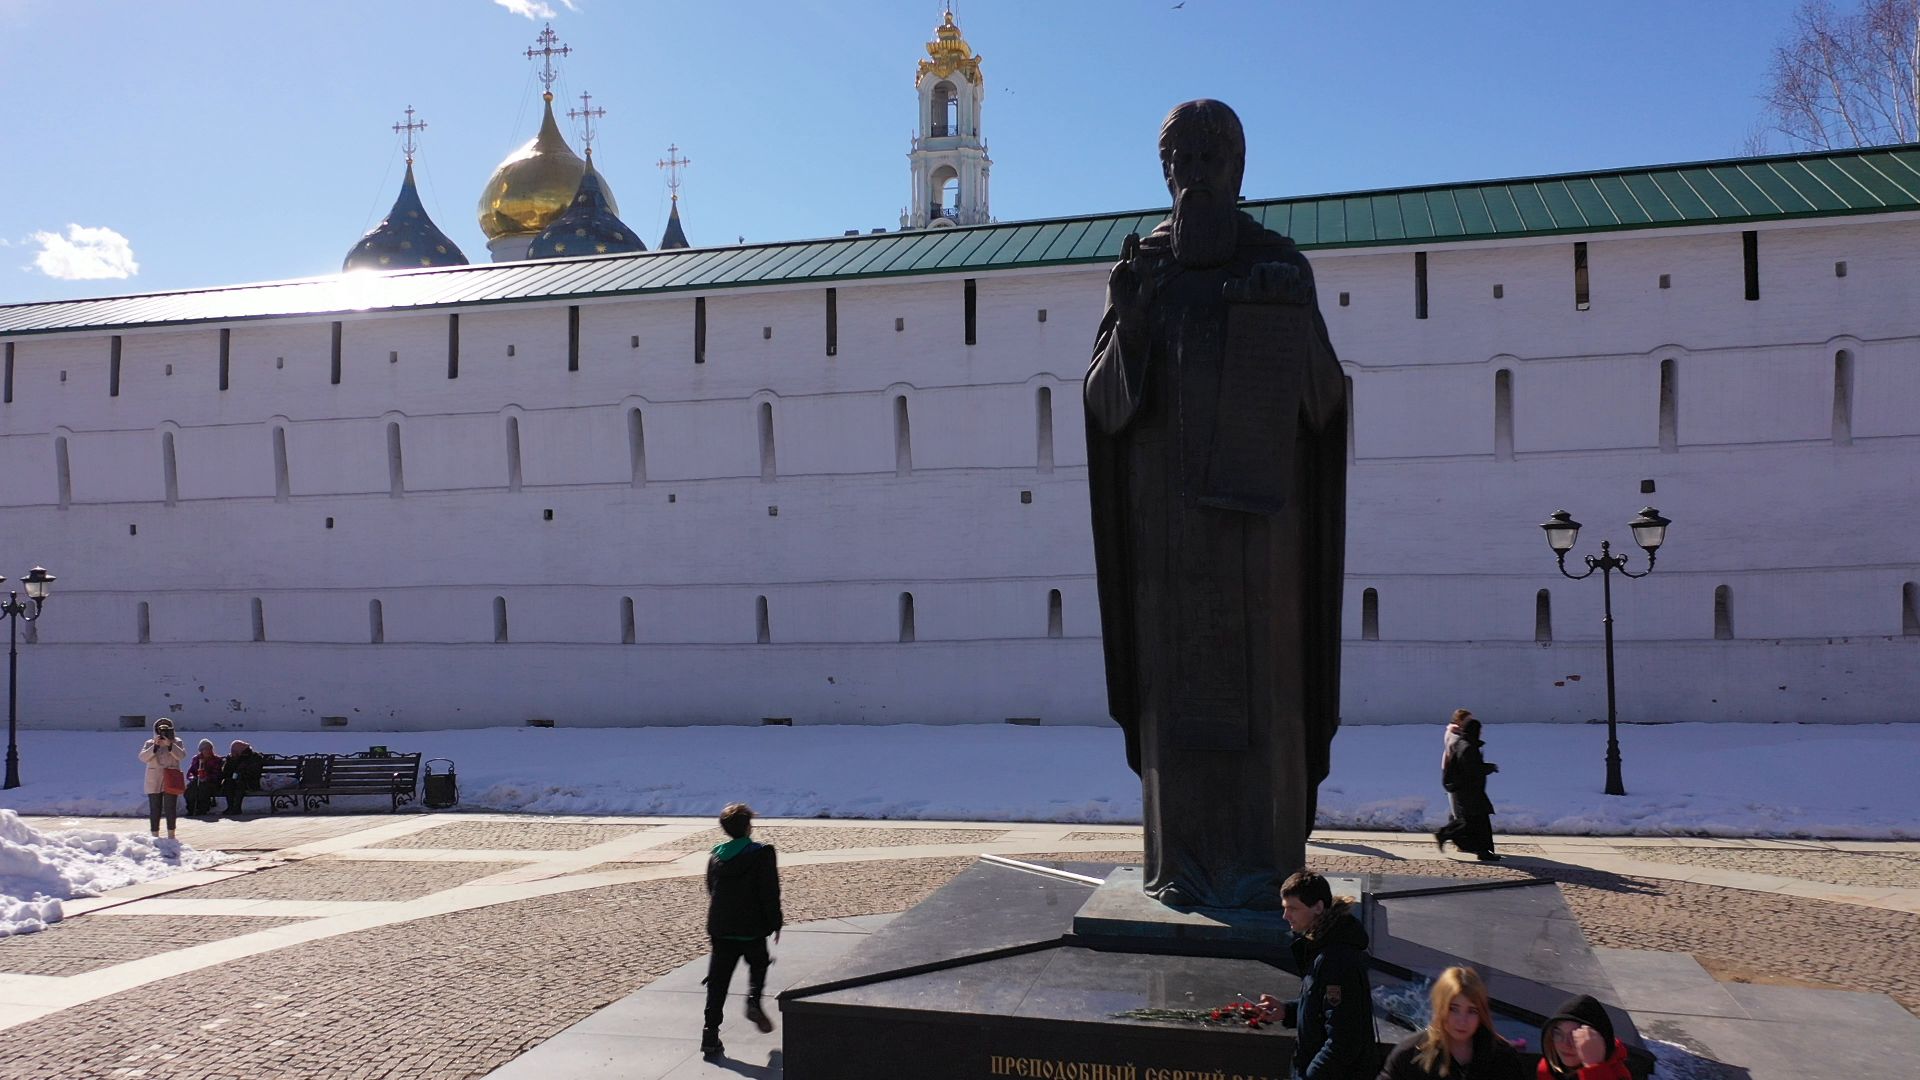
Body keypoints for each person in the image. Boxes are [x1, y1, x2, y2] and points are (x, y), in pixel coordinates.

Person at [1085, 98, 1348, 908]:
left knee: (1261, 706)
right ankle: (1183, 865)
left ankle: (1265, 870)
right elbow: (1105, 409)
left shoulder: (1279, 266)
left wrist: (1289, 317)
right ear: (1166, 173)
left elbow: (1322, 404)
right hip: (1168, 542)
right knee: (1179, 706)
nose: (1196, 177)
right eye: (1183, 163)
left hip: (1260, 545)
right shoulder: (1144, 275)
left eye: (1211, 161)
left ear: (1239, 171)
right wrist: (1128, 328)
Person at [700, 802, 783, 1060]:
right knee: (759, 962)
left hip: (721, 927)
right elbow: (769, 892)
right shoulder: (762, 853)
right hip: (751, 927)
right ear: (748, 826)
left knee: (718, 982)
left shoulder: (716, 855)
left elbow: (710, 887)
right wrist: (775, 922)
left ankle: (710, 1034)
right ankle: (753, 1000)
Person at [1280, 870, 1374, 1080]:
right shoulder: (1322, 946)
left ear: (1318, 907)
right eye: (1285, 908)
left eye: (1293, 909)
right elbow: (1320, 1008)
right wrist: (1286, 1011)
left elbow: (1343, 1041)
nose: (1285, 916)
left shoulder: (1337, 959)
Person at [1377, 966, 1527, 1079]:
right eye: (1453, 1009)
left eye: (1472, 1011)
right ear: (1439, 1007)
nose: (1462, 1021)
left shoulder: (1503, 1058)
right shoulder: (1409, 1056)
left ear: (1482, 1013)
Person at [1436, 717, 1501, 861]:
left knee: (1474, 821)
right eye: (1479, 730)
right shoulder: (1468, 747)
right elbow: (1472, 769)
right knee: (1475, 821)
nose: (1481, 733)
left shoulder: (1464, 743)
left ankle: (1482, 851)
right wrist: (1488, 768)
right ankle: (1445, 834)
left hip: (1468, 790)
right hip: (1469, 791)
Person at [1537, 995, 1631, 1080]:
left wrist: (1594, 1067)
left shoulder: (1618, 1074)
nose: (1565, 1044)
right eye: (1558, 1033)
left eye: (1576, 1036)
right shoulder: (1549, 1069)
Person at [138, 718, 187, 839]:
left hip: (171, 777)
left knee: (170, 807)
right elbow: (143, 758)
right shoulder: (150, 742)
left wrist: (170, 745)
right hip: (154, 778)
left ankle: (171, 834)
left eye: (166, 729)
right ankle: (155, 834)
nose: (163, 732)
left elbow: (181, 756)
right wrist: (155, 746)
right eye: (161, 730)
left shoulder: (177, 742)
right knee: (155, 808)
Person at [221, 739, 264, 816]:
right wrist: (232, 761)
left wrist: (241, 774)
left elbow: (255, 773)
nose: (232, 753)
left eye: (234, 751)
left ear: (240, 750)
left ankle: (237, 808)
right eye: (232, 751)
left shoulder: (254, 757)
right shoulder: (231, 758)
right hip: (234, 780)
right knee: (228, 782)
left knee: (240, 783)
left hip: (250, 782)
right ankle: (230, 807)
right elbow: (225, 773)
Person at [183, 739, 223, 817]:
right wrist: (194, 778)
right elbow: (190, 772)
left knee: (204, 787)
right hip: (198, 780)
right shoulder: (196, 759)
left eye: (210, 749)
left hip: (212, 782)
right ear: (201, 750)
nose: (209, 751)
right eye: (206, 749)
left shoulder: (217, 760)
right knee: (190, 788)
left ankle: (202, 809)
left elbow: (217, 774)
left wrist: (207, 777)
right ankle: (191, 809)